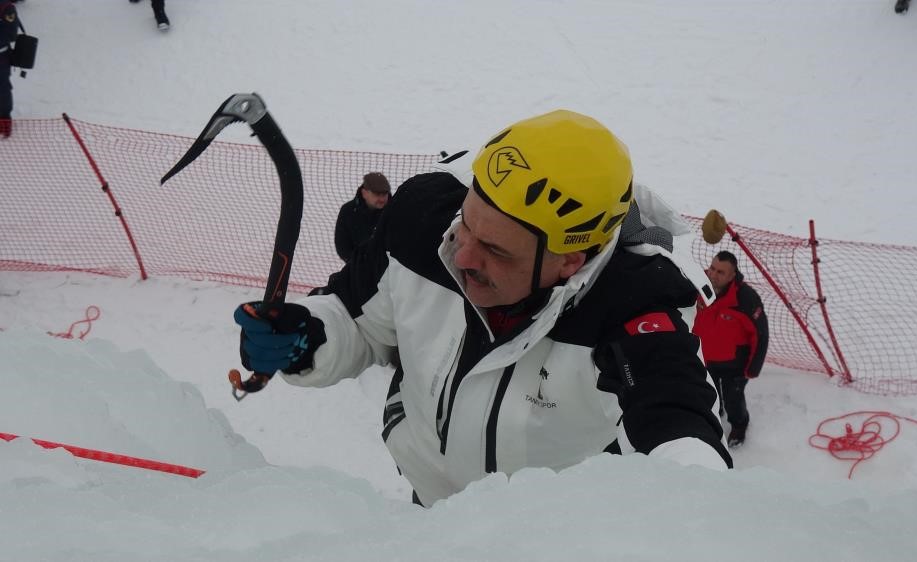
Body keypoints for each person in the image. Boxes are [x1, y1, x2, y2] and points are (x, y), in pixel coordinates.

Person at [234, 109, 733, 506]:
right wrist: (311, 335)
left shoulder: (634, 304)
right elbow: (358, 316)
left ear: (568, 261)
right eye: (467, 224)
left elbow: (679, 422)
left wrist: (699, 514)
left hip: (536, 539)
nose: (462, 255)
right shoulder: (423, 223)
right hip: (430, 503)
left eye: (496, 250)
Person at [692, 251, 769, 449]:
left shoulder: (746, 299)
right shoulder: (697, 284)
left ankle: (739, 425)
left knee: (734, 401)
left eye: (721, 272)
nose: (713, 275)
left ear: (733, 275)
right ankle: (715, 414)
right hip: (706, 360)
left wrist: (753, 368)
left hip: (735, 365)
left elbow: (760, 335)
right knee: (710, 394)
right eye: (712, 268)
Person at [334, 171, 392, 262]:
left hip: (390, 269)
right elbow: (342, 246)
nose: (382, 199)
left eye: (384, 194)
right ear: (364, 193)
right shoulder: (348, 211)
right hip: (359, 268)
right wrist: (359, 264)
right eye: (377, 194)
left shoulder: (394, 211)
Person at [0, 0, 16, 138]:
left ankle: (4, 121)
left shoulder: (6, 7)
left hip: (1, 57)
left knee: (2, 89)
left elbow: (11, 34)